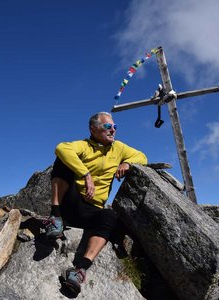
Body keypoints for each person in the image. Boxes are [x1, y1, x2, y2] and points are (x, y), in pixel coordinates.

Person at [45, 111, 147, 294]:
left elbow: (142, 156)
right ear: (93, 129)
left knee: (110, 216)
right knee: (62, 163)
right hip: (71, 203)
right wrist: (86, 174)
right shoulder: (84, 145)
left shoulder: (119, 148)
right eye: (108, 127)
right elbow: (61, 148)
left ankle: (80, 269)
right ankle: (55, 217)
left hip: (91, 211)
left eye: (115, 127)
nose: (113, 130)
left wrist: (128, 164)